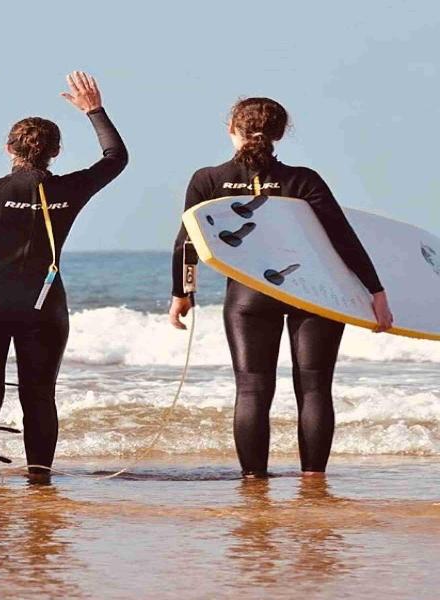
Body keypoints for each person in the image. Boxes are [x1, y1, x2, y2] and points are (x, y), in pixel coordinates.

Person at [169, 97, 394, 478]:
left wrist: (183, 293)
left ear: (232, 128)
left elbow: (186, 243)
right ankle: (313, 480)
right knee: (315, 388)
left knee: (252, 389)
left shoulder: (208, 179)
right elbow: (342, 237)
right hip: (313, 293)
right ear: (280, 133)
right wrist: (376, 291)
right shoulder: (303, 180)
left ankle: (254, 482)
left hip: (249, 296)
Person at [0, 71, 128, 483]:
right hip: (45, 307)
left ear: (8, 149)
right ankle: (39, 479)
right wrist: (94, 111)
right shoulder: (71, 189)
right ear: (56, 152)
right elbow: (116, 158)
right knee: (39, 396)